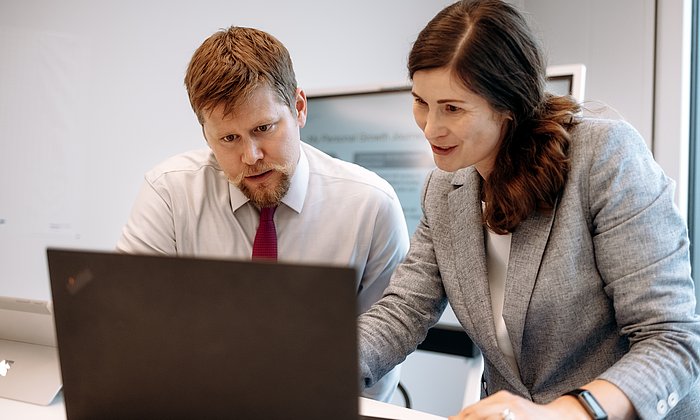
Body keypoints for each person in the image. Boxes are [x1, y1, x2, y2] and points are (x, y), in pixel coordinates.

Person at [357, 0, 700, 418]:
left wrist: (564, 412)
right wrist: (313, 369)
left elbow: (671, 340)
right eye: (420, 102)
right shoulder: (445, 188)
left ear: (510, 106)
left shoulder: (604, 157)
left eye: (452, 108)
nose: (430, 128)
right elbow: (403, 312)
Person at [116, 26, 409, 402]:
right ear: (206, 135)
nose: (251, 156)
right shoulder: (170, 193)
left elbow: (380, 354)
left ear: (299, 108)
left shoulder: (370, 205)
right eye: (229, 138)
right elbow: (129, 326)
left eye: (263, 128)